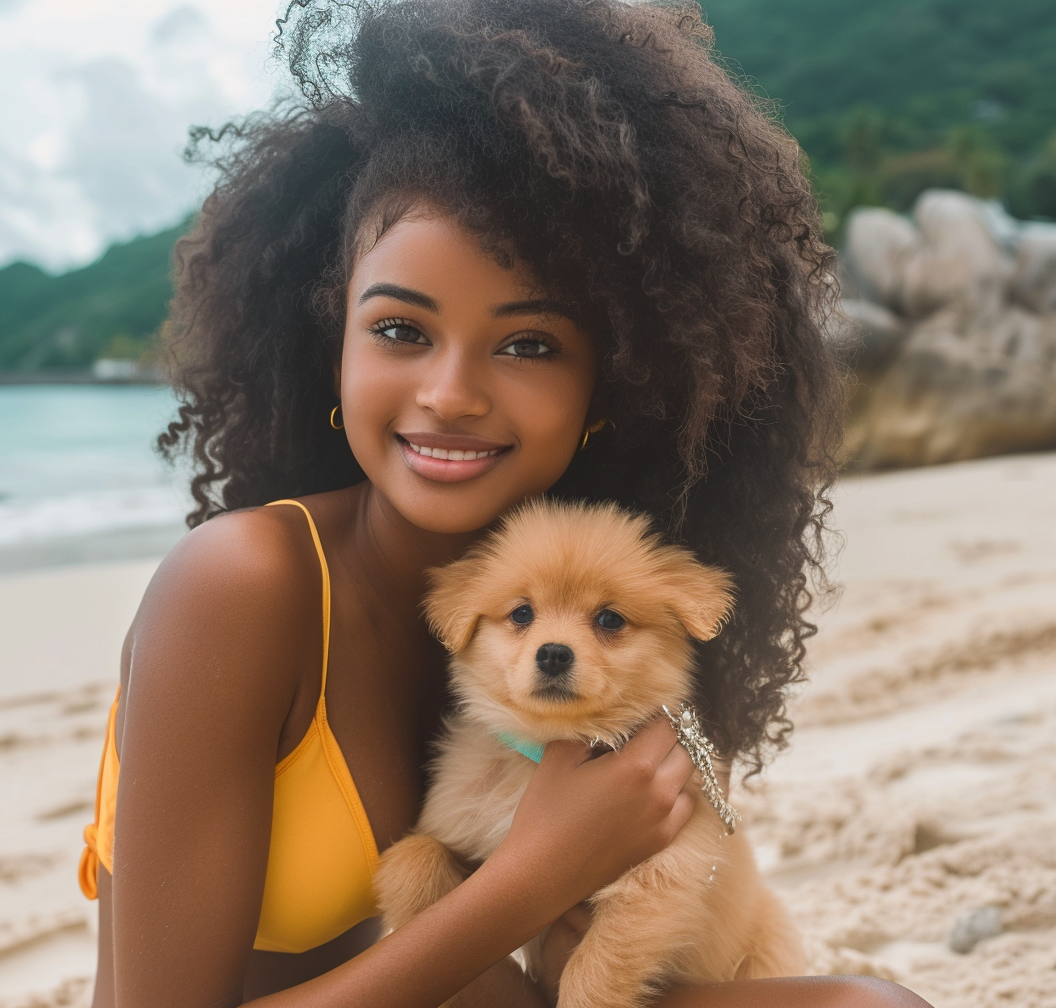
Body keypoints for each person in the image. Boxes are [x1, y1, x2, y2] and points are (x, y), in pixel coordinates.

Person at [79, 1, 933, 1005]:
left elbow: (636, 913)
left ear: (608, 388)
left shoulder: (593, 591)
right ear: (334, 345)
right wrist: (531, 881)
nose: (450, 393)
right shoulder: (242, 588)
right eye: (401, 330)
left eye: (528, 344)